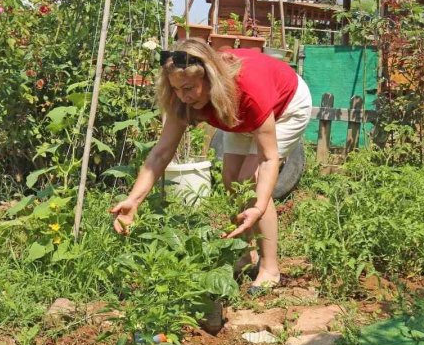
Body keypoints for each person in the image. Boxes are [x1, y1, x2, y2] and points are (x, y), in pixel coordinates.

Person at [109, 38, 312, 293]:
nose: (183, 96)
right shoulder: (182, 100)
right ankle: (245, 251)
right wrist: (134, 200)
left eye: (190, 88)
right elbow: (161, 153)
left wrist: (259, 206)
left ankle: (270, 267)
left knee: (250, 179)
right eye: (176, 89)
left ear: (210, 77)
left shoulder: (249, 92)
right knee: (230, 178)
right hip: (234, 109)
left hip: (286, 105)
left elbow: (268, 158)